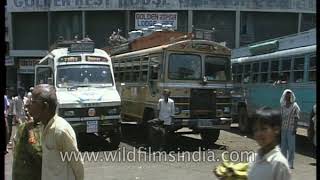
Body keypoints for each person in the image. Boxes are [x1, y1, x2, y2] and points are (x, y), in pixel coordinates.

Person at [29, 84, 84, 180]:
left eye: (33, 102)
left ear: (45, 107)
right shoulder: (43, 127)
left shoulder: (60, 131)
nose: (29, 105)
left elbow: (77, 164)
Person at [248, 107, 291, 180]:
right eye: (255, 130)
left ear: (276, 129)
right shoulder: (254, 157)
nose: (259, 133)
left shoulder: (279, 163)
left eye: (264, 129)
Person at [12, 104, 42, 180]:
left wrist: (30, 131)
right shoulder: (23, 126)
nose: (27, 110)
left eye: (32, 104)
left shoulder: (43, 129)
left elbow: (39, 155)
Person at [280, 89, 300, 169]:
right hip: (283, 128)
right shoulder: (282, 106)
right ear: (284, 96)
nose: (287, 96)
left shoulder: (295, 106)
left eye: (289, 94)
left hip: (291, 128)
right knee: (283, 147)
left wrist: (295, 128)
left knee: (291, 147)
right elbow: (281, 118)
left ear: (291, 96)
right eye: (286, 94)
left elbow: (296, 118)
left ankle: (290, 163)